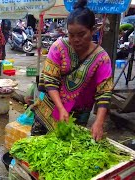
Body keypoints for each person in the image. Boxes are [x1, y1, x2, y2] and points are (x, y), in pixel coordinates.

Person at [31, 0, 113, 141]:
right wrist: (61, 108)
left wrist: (99, 122)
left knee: (69, 150)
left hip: (79, 113)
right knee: (39, 145)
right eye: (71, 34)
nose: (76, 39)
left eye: (81, 34)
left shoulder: (101, 58)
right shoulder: (58, 47)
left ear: (92, 30)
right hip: (50, 108)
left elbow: (104, 93)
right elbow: (50, 81)